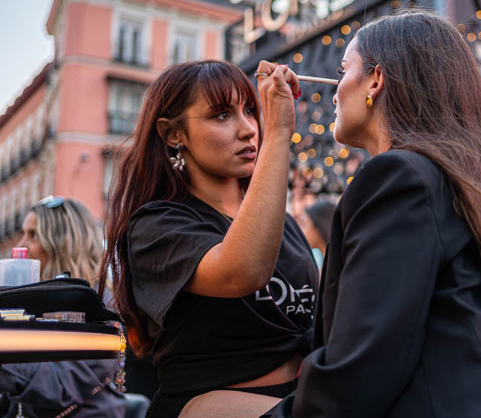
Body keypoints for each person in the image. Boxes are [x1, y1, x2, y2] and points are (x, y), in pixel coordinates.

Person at [265, 10, 481, 417]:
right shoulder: (465, 180)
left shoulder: (397, 176)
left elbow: (358, 371)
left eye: (344, 71)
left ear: (376, 80)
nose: (335, 91)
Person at [100, 60, 318, 417]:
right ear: (174, 134)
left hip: (305, 400)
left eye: (250, 110)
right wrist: (278, 134)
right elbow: (242, 272)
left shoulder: (285, 224)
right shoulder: (157, 225)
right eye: (221, 115)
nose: (249, 129)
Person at [1, 197, 126, 418]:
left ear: (62, 242)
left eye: (33, 235)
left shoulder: (96, 305)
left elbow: (58, 384)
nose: (20, 245)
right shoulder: (32, 301)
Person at [296, 199, 337, 268]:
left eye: (304, 224)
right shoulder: (323, 264)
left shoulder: (334, 268)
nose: (300, 230)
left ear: (320, 227)